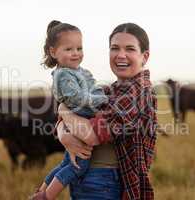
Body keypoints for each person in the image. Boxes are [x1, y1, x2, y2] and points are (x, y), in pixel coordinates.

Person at [54, 23, 157, 200]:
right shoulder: (108, 91)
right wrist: (64, 135)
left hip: (104, 183)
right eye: (114, 48)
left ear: (144, 57)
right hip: (86, 178)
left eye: (130, 49)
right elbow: (71, 122)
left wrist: (63, 110)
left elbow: (91, 135)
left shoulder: (138, 92)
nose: (121, 55)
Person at [30, 20, 109, 200]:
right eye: (69, 49)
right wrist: (102, 100)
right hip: (81, 117)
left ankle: (40, 191)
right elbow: (77, 99)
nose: (76, 53)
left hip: (77, 117)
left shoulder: (79, 71)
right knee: (78, 165)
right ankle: (47, 196)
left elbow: (93, 86)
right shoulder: (64, 74)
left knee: (67, 161)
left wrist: (98, 93)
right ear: (53, 52)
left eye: (79, 48)